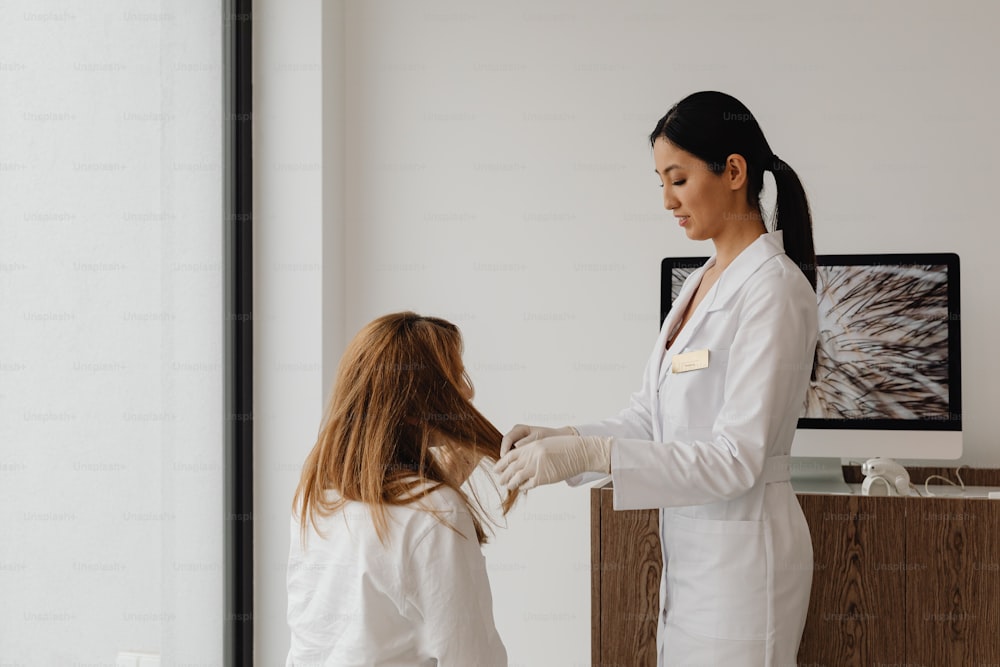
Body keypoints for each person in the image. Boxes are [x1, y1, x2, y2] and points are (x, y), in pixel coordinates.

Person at [495, 91, 818, 666]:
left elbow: (737, 458)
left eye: (678, 179)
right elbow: (649, 417)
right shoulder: (697, 286)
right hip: (693, 567)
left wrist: (594, 453)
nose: (666, 200)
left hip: (745, 571)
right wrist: (564, 437)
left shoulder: (774, 289)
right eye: (659, 182)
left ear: (734, 172)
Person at [286, 312, 516, 667]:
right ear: (412, 407)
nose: (468, 390)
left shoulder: (317, 494)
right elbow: (472, 658)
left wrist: (441, 484)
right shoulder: (437, 511)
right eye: (453, 378)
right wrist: (440, 497)